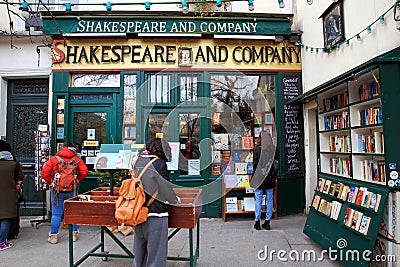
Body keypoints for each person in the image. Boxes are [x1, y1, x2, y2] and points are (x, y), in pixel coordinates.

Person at [133, 137, 180, 267]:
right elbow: (166, 190)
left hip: (138, 211)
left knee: (139, 253)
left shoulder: (138, 161)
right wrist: (175, 200)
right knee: (156, 255)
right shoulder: (159, 164)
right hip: (156, 214)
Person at [41, 142, 88, 244]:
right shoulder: (76, 160)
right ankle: (74, 234)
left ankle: (54, 236)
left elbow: (44, 173)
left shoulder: (54, 159)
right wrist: (77, 180)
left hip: (57, 190)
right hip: (72, 189)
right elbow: (84, 171)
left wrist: (51, 182)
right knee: (73, 212)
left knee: (56, 214)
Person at [250, 131, 279, 231]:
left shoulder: (257, 150)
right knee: (270, 200)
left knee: (258, 199)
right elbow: (276, 165)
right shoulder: (275, 150)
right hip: (270, 179)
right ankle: (267, 222)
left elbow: (255, 165)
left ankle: (257, 222)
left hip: (259, 178)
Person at [0, 141, 24, 251]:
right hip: (9, 195)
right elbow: (21, 177)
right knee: (5, 219)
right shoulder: (14, 164)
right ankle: (2, 242)